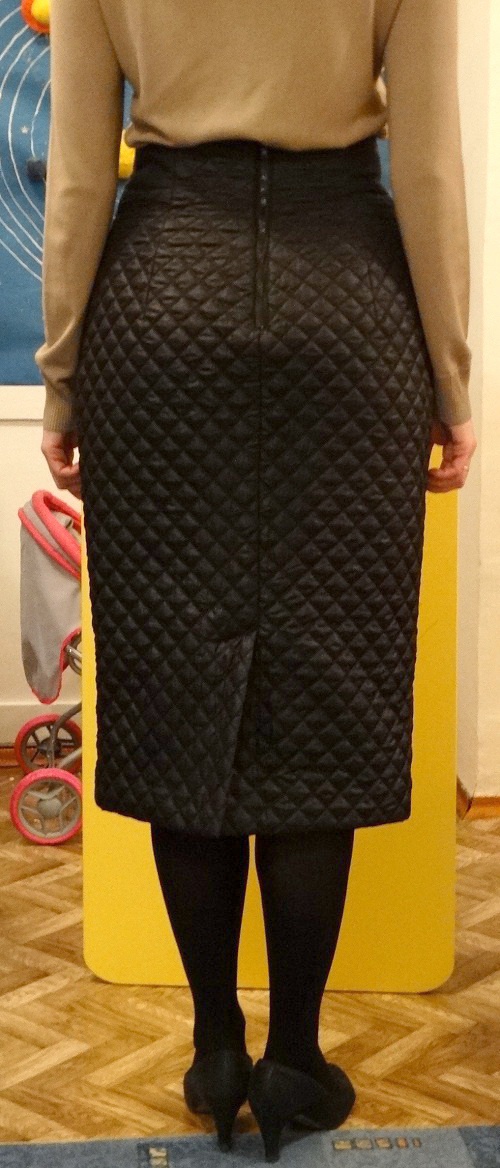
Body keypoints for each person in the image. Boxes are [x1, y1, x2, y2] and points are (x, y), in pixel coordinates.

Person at [37, 0, 477, 1160]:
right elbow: (428, 165)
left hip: (164, 301)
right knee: (323, 696)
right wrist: (449, 379)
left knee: (175, 690)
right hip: (346, 309)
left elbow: (78, 174)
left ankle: (214, 1044)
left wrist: (64, 377)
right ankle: (294, 1057)